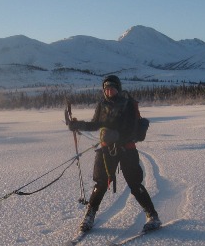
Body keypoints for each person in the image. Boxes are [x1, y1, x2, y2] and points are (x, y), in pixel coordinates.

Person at [67, 75, 160, 233]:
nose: (109, 91)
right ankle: (89, 216)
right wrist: (78, 125)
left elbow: (131, 128)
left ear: (118, 88)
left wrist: (116, 135)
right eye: (106, 88)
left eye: (112, 88)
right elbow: (96, 124)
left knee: (135, 184)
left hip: (126, 149)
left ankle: (153, 216)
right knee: (100, 183)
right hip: (106, 150)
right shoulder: (102, 105)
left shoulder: (128, 104)